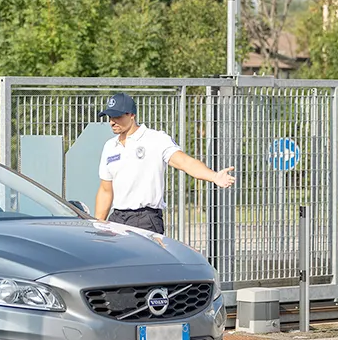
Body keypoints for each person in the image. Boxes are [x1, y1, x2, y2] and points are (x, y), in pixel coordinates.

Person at [94, 92, 236, 235]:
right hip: (117, 219)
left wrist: (214, 176)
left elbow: (185, 162)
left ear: (131, 115)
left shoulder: (156, 139)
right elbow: (106, 190)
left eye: (117, 117)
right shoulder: (110, 146)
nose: (112, 122)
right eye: (110, 117)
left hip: (145, 220)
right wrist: (98, 225)